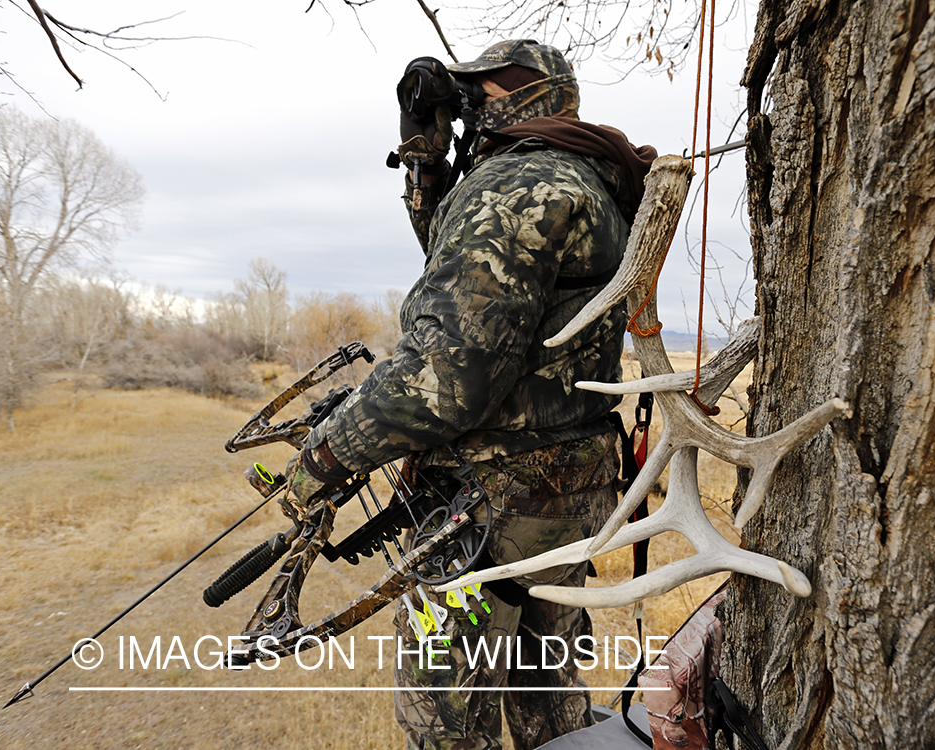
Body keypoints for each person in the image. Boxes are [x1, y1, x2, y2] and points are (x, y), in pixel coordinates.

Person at [282, 39, 657, 750]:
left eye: (472, 93)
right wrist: (425, 160)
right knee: (549, 703)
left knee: (450, 727)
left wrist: (329, 455)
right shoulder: (582, 177)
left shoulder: (513, 187)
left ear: (508, 95)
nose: (462, 106)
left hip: (486, 512)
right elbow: (472, 264)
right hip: (566, 492)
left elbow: (447, 381)